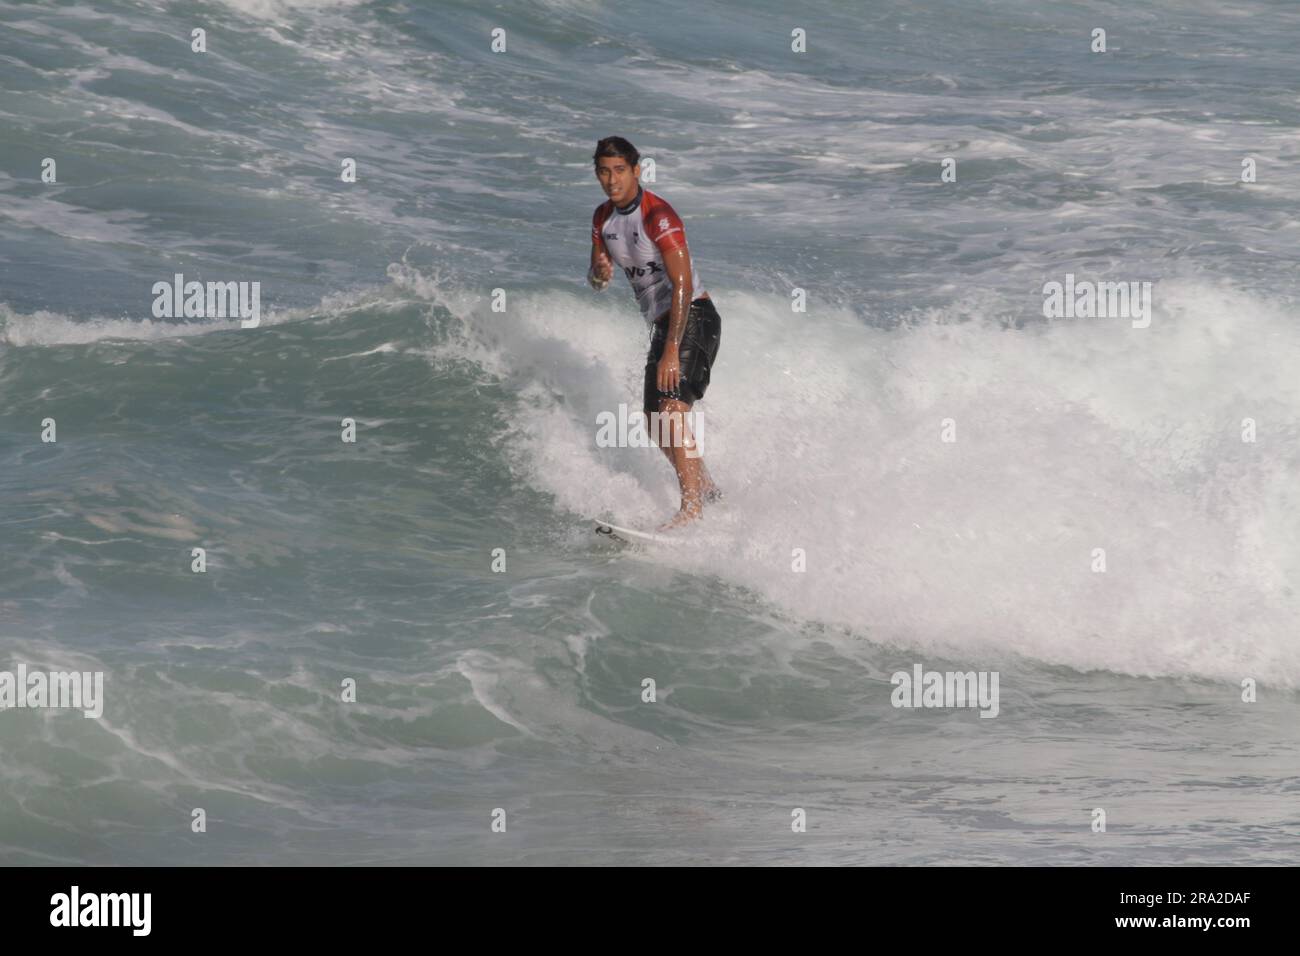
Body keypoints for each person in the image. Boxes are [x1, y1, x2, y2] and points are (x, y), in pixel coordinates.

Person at [587, 136, 722, 529]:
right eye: (603, 172)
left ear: (636, 171)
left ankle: (691, 510)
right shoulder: (602, 219)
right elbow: (596, 280)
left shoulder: (658, 216)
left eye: (619, 171)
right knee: (654, 421)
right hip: (663, 326)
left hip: (693, 316)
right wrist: (598, 275)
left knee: (671, 410)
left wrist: (670, 351)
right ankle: (709, 491)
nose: (611, 180)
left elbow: (682, 286)